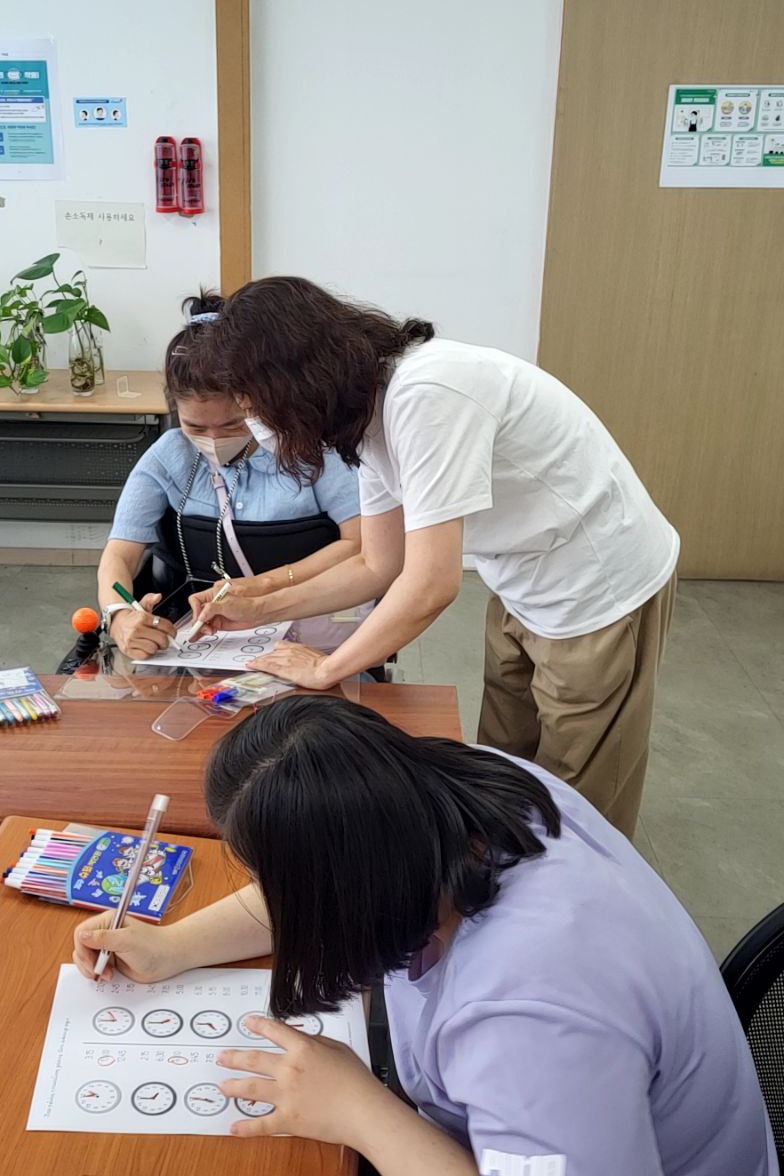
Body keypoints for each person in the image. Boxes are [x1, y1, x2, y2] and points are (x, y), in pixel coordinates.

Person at [72, 697, 776, 1175]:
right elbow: (324, 877)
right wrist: (173, 945)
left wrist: (357, 1110)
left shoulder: (529, 1015)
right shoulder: (449, 788)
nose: (276, 900)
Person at [186, 276, 680, 836]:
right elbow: (379, 564)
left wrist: (327, 667)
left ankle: (581, 908)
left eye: (255, 405)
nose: (256, 425)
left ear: (297, 380)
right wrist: (262, 610)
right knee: (507, 760)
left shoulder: (427, 394)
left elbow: (429, 584)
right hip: (521, 574)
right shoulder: (363, 418)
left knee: (577, 793)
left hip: (598, 584)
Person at [97, 292, 364, 662]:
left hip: (316, 629)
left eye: (232, 424)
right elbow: (119, 555)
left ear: (260, 402)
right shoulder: (167, 456)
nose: (213, 439)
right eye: (195, 426)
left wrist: (261, 588)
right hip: (207, 635)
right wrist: (119, 615)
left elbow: (361, 543)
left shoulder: (313, 451)